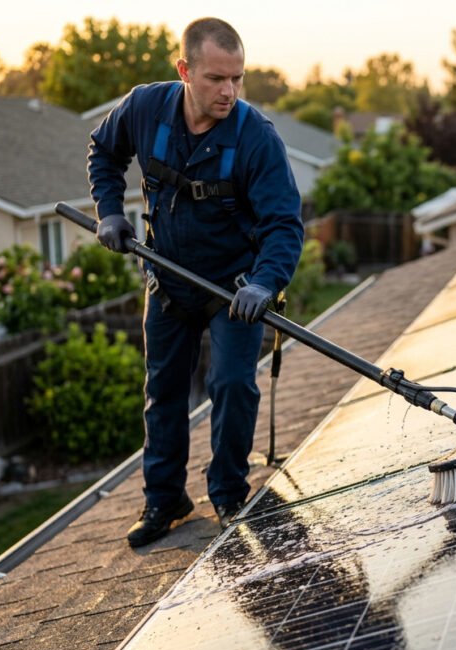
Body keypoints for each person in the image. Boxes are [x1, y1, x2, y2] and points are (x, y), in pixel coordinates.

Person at [87, 17, 304, 547]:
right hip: (167, 280)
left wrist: (266, 282)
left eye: (237, 79)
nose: (229, 91)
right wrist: (110, 211)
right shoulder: (144, 109)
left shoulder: (256, 138)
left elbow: (283, 224)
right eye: (215, 79)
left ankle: (229, 491)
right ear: (184, 70)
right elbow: (104, 152)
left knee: (232, 384)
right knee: (162, 392)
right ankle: (165, 499)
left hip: (235, 290)